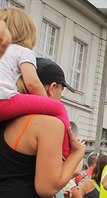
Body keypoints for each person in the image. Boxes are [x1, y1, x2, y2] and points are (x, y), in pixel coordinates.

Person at [0, 8, 74, 158]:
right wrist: (47, 104)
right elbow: (32, 82)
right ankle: (65, 153)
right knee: (58, 108)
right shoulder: (22, 51)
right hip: (4, 100)